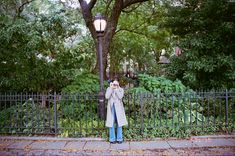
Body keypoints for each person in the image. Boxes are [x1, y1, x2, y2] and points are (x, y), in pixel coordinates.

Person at [105, 78, 128, 144]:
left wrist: (117, 89)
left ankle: (119, 139)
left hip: (119, 109)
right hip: (111, 108)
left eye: (116, 84)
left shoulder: (121, 89)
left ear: (118, 84)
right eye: (113, 83)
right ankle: (112, 139)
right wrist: (111, 88)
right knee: (111, 123)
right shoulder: (109, 89)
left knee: (119, 123)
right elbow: (107, 96)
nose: (114, 85)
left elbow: (120, 97)